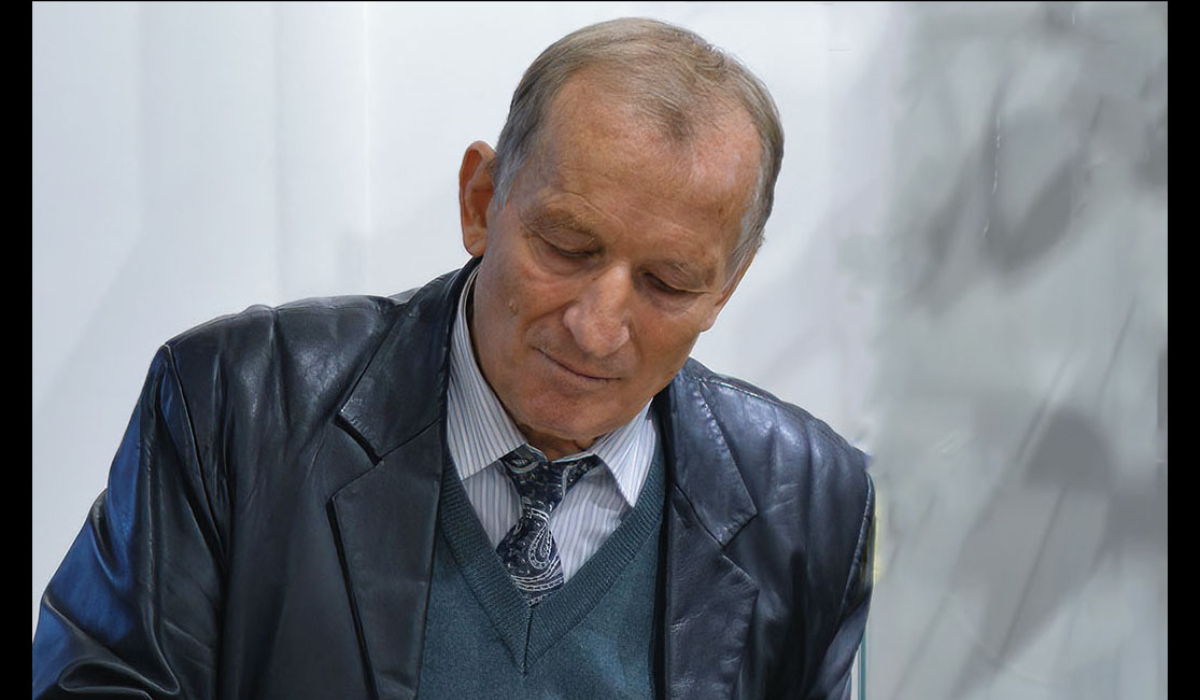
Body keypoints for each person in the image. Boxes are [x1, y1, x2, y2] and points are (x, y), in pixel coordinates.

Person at [32, 17, 874, 700]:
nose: (596, 328)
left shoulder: (810, 506)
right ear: (480, 201)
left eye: (667, 284)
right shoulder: (239, 407)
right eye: (566, 246)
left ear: (728, 285)